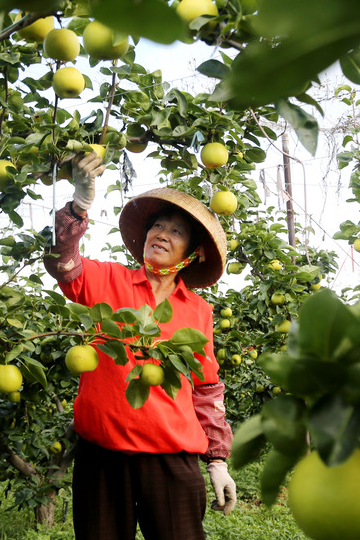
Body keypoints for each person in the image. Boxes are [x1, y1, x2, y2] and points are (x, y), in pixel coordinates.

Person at [44, 151, 237, 540]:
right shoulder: (107, 280)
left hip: (171, 458)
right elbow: (63, 263)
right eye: (157, 225)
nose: (162, 234)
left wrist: (217, 459)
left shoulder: (198, 311)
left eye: (177, 231)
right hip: (102, 457)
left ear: (193, 252)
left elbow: (206, 388)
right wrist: (80, 205)